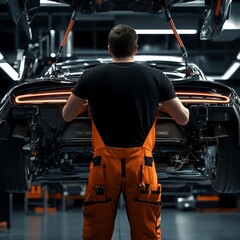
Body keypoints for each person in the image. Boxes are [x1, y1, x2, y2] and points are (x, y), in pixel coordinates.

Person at [62, 24, 189, 240]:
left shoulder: (90, 77)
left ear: (109, 48)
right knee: (147, 232)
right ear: (136, 48)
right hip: (142, 166)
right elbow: (183, 118)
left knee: (96, 233)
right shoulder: (157, 78)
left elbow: (66, 115)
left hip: (103, 166)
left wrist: (85, 105)